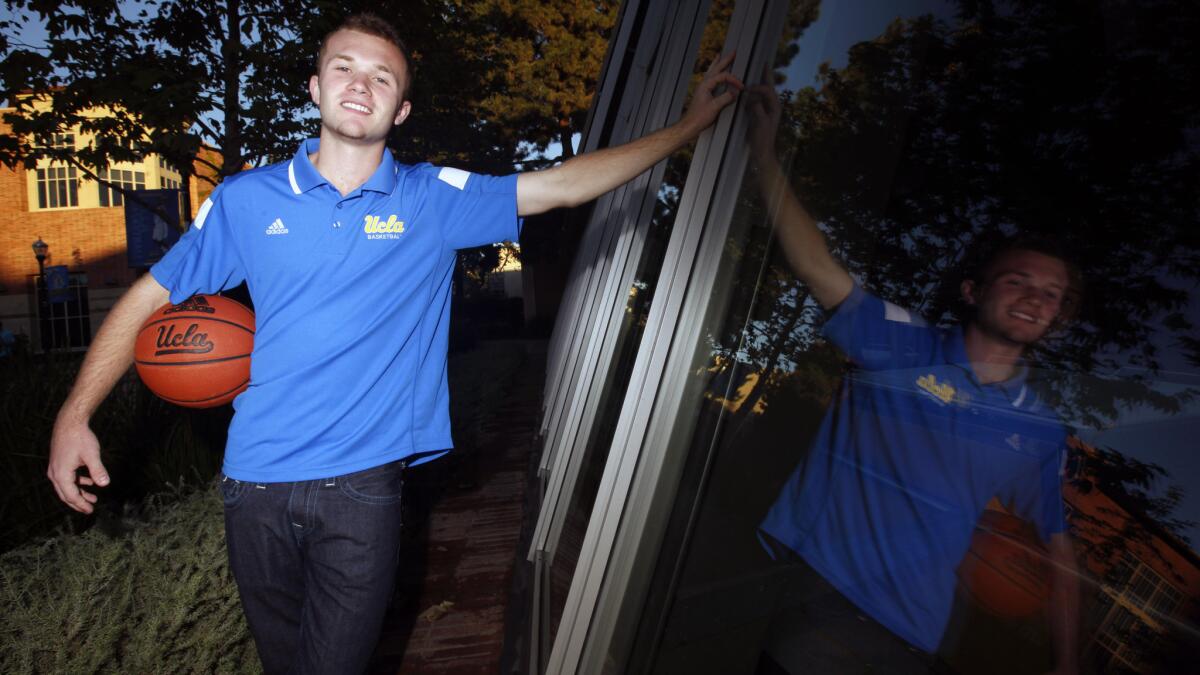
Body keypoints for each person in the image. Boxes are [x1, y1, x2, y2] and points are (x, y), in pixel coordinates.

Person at [46, 13, 742, 675]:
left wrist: (690, 125)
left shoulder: (430, 198)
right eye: (343, 67)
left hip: (361, 490)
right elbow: (147, 296)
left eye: (383, 76)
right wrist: (75, 416)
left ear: (400, 109)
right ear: (316, 89)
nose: (361, 83)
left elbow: (561, 185)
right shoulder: (245, 200)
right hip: (253, 486)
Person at [745, 85, 1080, 673]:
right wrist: (766, 157)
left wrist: (1067, 663)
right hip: (824, 605)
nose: (1035, 298)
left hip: (916, 643)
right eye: (1018, 281)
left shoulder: (1041, 429)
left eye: (1051, 295)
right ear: (974, 290)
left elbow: (1058, 549)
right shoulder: (904, 343)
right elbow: (817, 265)